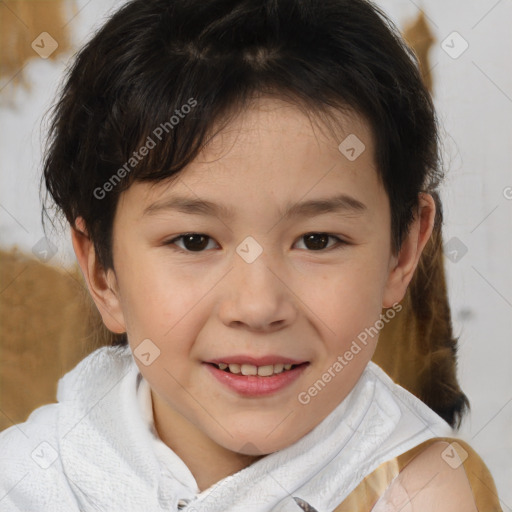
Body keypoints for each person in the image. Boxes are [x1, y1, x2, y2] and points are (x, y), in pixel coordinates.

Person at [0, 0, 502, 510]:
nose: (258, 306)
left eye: (317, 240)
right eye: (194, 241)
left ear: (403, 252)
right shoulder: (27, 478)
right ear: (102, 272)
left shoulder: (416, 492)